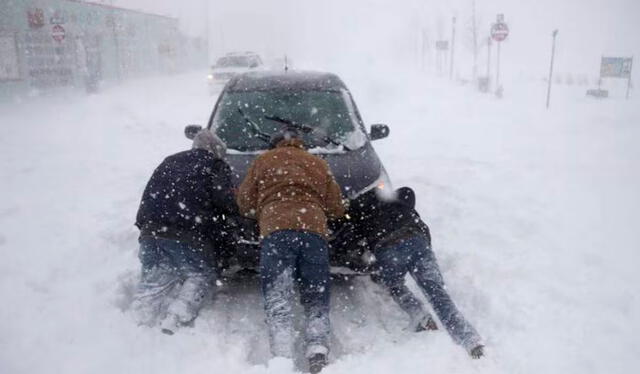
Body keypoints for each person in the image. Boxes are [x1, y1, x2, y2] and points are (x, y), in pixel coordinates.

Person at [236, 130, 345, 373]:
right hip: (313, 229)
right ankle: (317, 348)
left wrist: (263, 210)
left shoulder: (263, 161)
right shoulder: (318, 163)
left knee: (278, 295)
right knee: (316, 293)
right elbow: (336, 206)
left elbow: (244, 202)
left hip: (276, 231)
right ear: (300, 145)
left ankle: (282, 355)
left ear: (274, 146)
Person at [348, 187, 485, 359]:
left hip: (386, 246)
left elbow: (352, 245)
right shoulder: (390, 195)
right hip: (415, 238)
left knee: (395, 286)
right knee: (437, 293)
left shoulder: (355, 209)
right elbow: (408, 193)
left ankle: (421, 316)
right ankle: (471, 341)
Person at [131, 129, 237, 334]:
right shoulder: (215, 165)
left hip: (151, 230)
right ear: (216, 151)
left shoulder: (169, 161)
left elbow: (148, 194)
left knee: (155, 277)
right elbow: (225, 201)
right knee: (201, 274)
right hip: (188, 232)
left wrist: (145, 226)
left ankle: (139, 320)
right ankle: (176, 316)